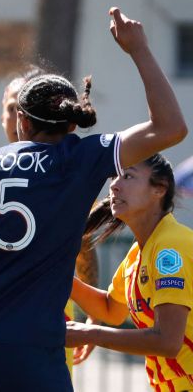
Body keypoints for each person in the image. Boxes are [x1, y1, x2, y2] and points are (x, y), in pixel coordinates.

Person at [0, 7, 187, 391]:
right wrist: (138, 49)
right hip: (33, 351)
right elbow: (171, 127)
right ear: (73, 122)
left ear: (20, 120)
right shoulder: (81, 159)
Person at [0, 66, 101, 370]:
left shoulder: (70, 174)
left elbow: (84, 248)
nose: (20, 114)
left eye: (26, 106)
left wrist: (93, 315)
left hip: (50, 327)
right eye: (13, 107)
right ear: (6, 116)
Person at [67, 154, 193, 392]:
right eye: (114, 176)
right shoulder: (140, 251)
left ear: (160, 189)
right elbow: (110, 310)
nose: (114, 185)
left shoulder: (170, 248)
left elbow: (167, 341)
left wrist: (90, 333)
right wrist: (52, 275)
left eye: (128, 176)